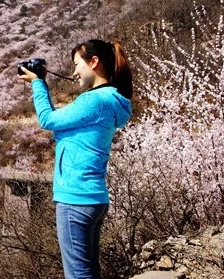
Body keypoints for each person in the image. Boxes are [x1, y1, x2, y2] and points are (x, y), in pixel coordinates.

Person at [18, 39, 133, 279]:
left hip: (75, 199)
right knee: (89, 272)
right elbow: (57, 119)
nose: (73, 72)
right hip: (94, 198)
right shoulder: (111, 101)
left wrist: (37, 84)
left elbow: (48, 121)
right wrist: (41, 85)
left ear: (94, 62)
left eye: (76, 64)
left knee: (78, 275)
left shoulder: (93, 101)